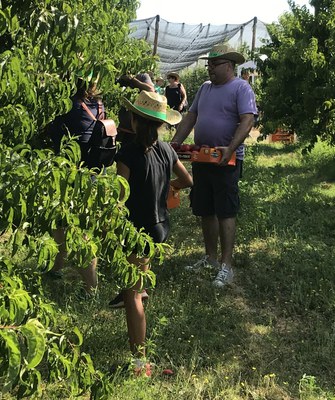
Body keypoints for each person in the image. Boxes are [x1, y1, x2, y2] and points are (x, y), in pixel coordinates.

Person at [111, 90, 193, 375]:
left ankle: (139, 362)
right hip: (160, 229)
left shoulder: (128, 153)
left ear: (134, 120)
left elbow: (119, 197)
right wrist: (170, 188)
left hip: (137, 231)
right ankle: (140, 293)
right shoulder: (167, 150)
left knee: (131, 294)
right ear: (159, 124)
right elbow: (187, 179)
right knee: (137, 282)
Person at [171, 44, 257, 288]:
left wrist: (230, 148)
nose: (209, 68)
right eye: (208, 64)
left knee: (225, 210)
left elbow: (247, 120)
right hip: (202, 158)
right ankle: (210, 258)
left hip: (226, 160)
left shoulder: (241, 87)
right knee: (205, 208)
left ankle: (226, 265)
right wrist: (176, 142)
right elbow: (192, 116)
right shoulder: (205, 88)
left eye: (214, 64)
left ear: (229, 66)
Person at [46, 75, 104, 293]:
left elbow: (52, 135)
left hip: (74, 174)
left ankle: (91, 289)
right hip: (93, 173)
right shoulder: (98, 103)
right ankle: (57, 267)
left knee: (78, 231)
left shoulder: (68, 105)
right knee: (61, 222)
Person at [116, 73, 155, 144]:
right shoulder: (119, 75)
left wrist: (132, 79)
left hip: (135, 127)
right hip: (121, 126)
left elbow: (150, 90)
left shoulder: (142, 76)